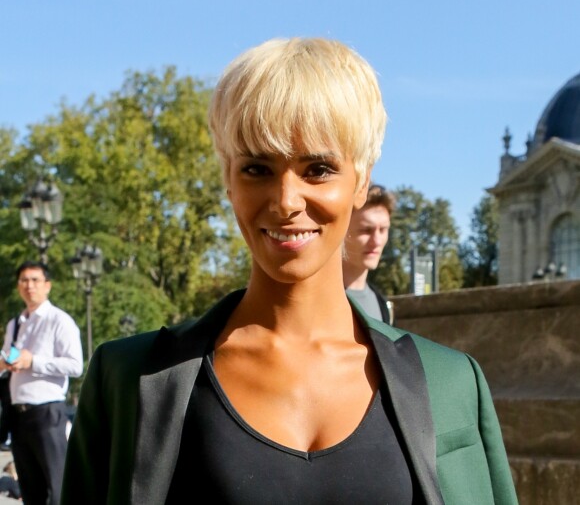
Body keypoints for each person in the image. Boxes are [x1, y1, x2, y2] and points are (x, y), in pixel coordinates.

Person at [62, 37, 518, 504]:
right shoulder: (129, 380)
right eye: (257, 168)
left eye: (318, 169)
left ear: (361, 182)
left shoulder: (452, 383)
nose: (285, 201)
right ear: (227, 179)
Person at [0, 261, 83, 505]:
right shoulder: (14, 324)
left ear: (47, 285)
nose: (29, 286)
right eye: (24, 280)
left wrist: (33, 361)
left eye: (35, 280)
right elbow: (8, 357)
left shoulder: (60, 320)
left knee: (57, 488)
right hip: (18, 415)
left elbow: (75, 365)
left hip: (47, 413)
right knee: (30, 489)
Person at [343, 183, 396, 324]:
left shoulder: (383, 306)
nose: (377, 241)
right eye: (366, 230)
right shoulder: (313, 301)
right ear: (342, 231)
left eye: (383, 230)